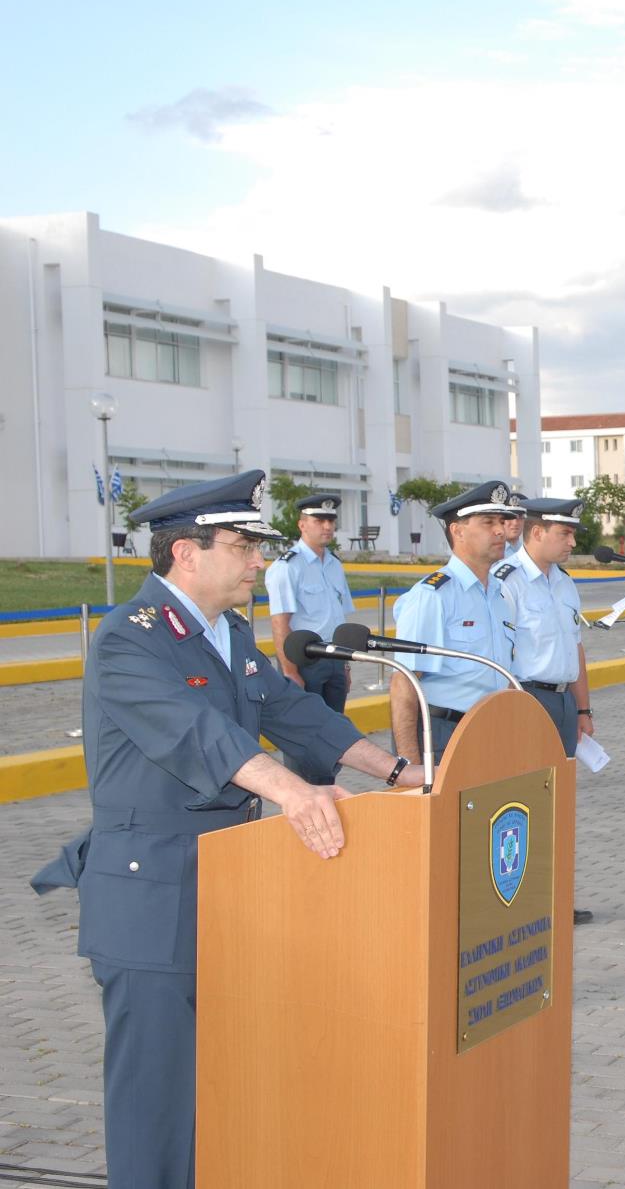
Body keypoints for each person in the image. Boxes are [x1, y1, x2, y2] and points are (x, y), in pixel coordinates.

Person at [31, 469, 425, 1189]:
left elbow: (296, 713)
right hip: (152, 901)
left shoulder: (228, 636)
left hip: (228, 888)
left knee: (220, 1088)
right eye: (243, 544)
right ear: (187, 553)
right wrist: (290, 790)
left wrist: (402, 772)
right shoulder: (130, 640)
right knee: (157, 1100)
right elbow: (196, 733)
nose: (258, 560)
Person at [493, 496, 597, 924]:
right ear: (537, 533)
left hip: (562, 702)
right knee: (522, 803)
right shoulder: (508, 580)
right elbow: (501, 653)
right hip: (527, 698)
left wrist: (583, 708)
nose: (572, 541)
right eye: (565, 533)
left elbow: (575, 648)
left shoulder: (564, 582)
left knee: (558, 804)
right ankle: (521, 900)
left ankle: (556, 898)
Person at [387, 482, 521, 766]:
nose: (500, 530)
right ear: (458, 531)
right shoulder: (433, 595)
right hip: (445, 734)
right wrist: (408, 766)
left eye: (501, 521)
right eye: (488, 522)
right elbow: (405, 682)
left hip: (492, 732)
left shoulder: (499, 594)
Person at [264, 492, 355, 784]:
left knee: (333, 732)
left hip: (334, 660)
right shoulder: (287, 567)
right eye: (319, 520)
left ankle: (327, 786)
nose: (327, 527)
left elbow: (340, 620)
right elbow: (280, 623)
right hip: (305, 661)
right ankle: (303, 791)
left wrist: (346, 665)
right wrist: (290, 672)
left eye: (330, 520)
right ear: (302, 524)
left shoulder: (334, 565)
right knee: (303, 735)